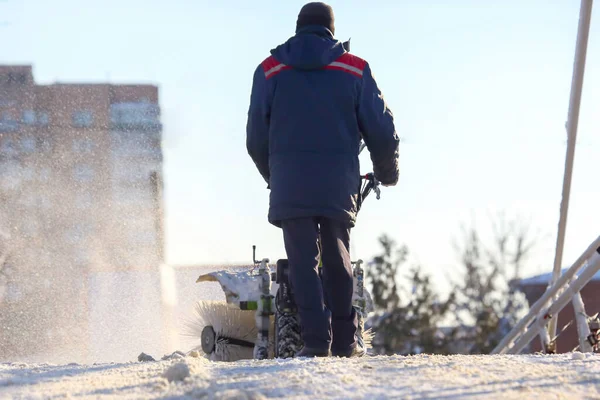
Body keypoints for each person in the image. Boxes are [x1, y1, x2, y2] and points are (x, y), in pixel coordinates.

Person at [246, 2, 399, 358]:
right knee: (337, 256)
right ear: (331, 30)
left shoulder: (269, 70)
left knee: (301, 261)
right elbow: (382, 131)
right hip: (337, 183)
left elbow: (256, 138)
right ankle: (346, 343)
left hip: (290, 181)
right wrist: (387, 173)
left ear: (298, 28)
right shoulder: (354, 68)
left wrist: (275, 177)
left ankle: (315, 343)